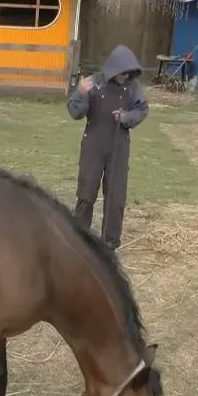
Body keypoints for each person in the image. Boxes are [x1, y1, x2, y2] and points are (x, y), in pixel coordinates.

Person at [66, 44, 149, 251]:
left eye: (129, 73)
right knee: (86, 192)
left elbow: (142, 109)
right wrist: (80, 94)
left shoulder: (132, 87)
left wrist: (126, 117)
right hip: (94, 143)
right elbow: (75, 112)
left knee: (115, 196)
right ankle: (80, 238)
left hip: (119, 146)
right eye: (122, 72)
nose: (126, 76)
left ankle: (110, 244)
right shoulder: (94, 82)